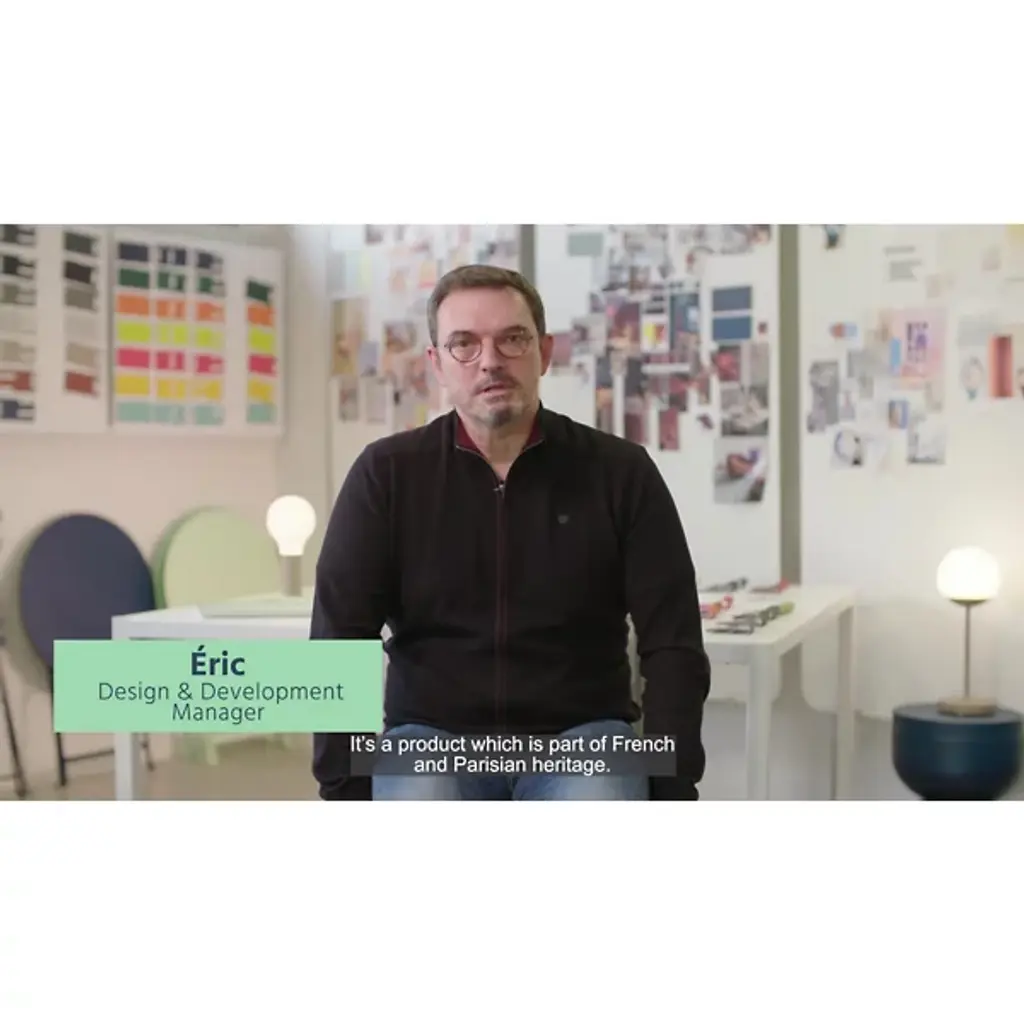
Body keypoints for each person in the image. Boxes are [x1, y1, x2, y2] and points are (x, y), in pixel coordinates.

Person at [311, 265, 710, 800]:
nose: (490, 361)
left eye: (512, 339)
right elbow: (339, 639)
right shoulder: (385, 475)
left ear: (544, 352)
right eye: (464, 344)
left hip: (583, 735)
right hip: (430, 736)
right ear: (436, 363)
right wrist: (346, 789)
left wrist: (669, 785)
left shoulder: (621, 472)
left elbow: (673, 641)